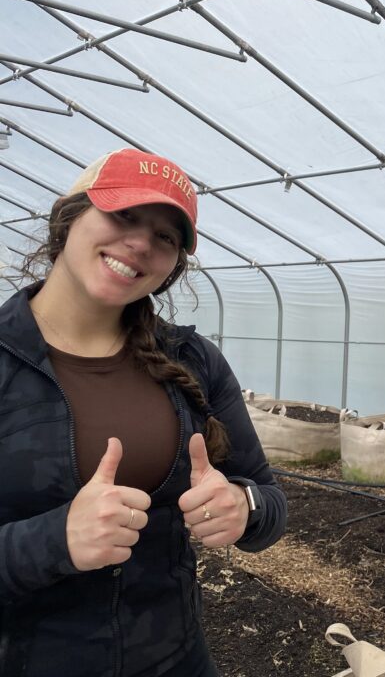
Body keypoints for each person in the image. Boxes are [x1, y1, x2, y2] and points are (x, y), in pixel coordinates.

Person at [0, 149, 287, 676]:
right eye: (123, 215)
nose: (140, 243)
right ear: (68, 219)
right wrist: (54, 541)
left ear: (173, 266)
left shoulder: (193, 360)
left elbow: (267, 499)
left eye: (165, 237)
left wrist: (244, 508)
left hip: (177, 659)